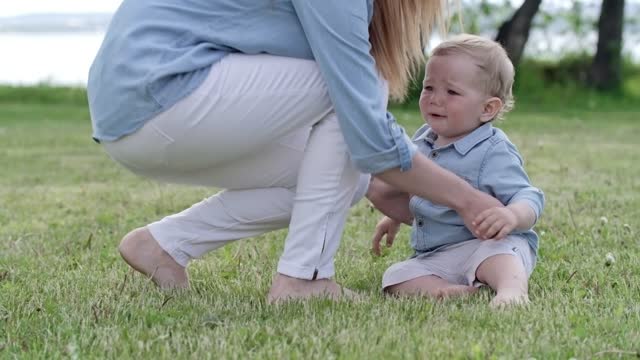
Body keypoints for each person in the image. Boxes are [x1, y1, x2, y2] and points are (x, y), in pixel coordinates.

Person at [87, 1, 503, 303]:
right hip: (163, 93)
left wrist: (386, 185)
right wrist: (468, 199)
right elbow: (366, 130)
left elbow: (355, 157)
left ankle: (165, 244)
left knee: (346, 176)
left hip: (133, 115)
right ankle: (304, 279)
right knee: (359, 87)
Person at [371, 34, 545, 307]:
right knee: (395, 276)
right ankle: (443, 290)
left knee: (501, 255)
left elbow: (530, 196)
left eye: (451, 92)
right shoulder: (422, 140)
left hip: (487, 244)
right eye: (428, 88)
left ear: (488, 108)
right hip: (438, 254)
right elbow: (415, 186)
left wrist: (511, 215)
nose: (434, 99)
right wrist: (393, 218)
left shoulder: (493, 150)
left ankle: (511, 291)